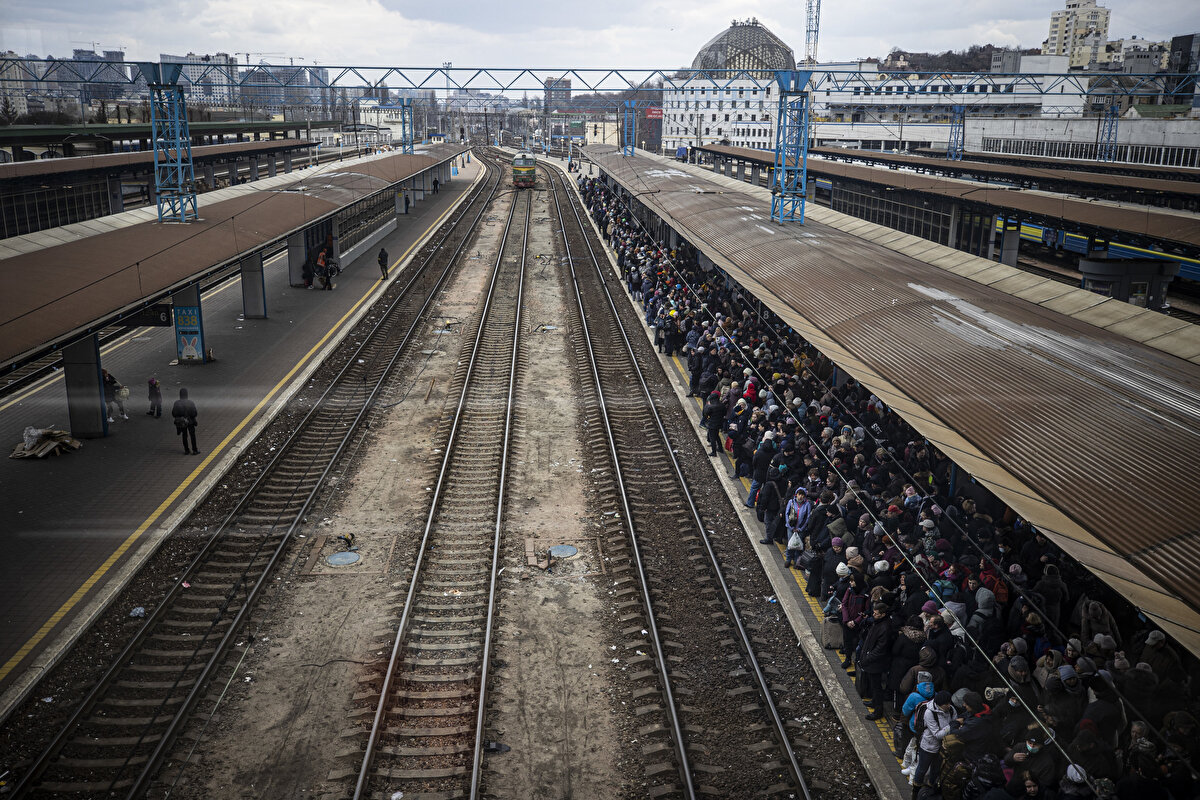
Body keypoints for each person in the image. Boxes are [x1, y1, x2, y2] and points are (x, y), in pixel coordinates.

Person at [172, 388, 199, 455]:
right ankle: (195, 450)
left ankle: (186, 450)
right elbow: (194, 413)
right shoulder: (190, 402)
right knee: (192, 436)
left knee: (184, 435)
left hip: (182, 422)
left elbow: (174, 413)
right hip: (190, 422)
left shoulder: (176, 403)